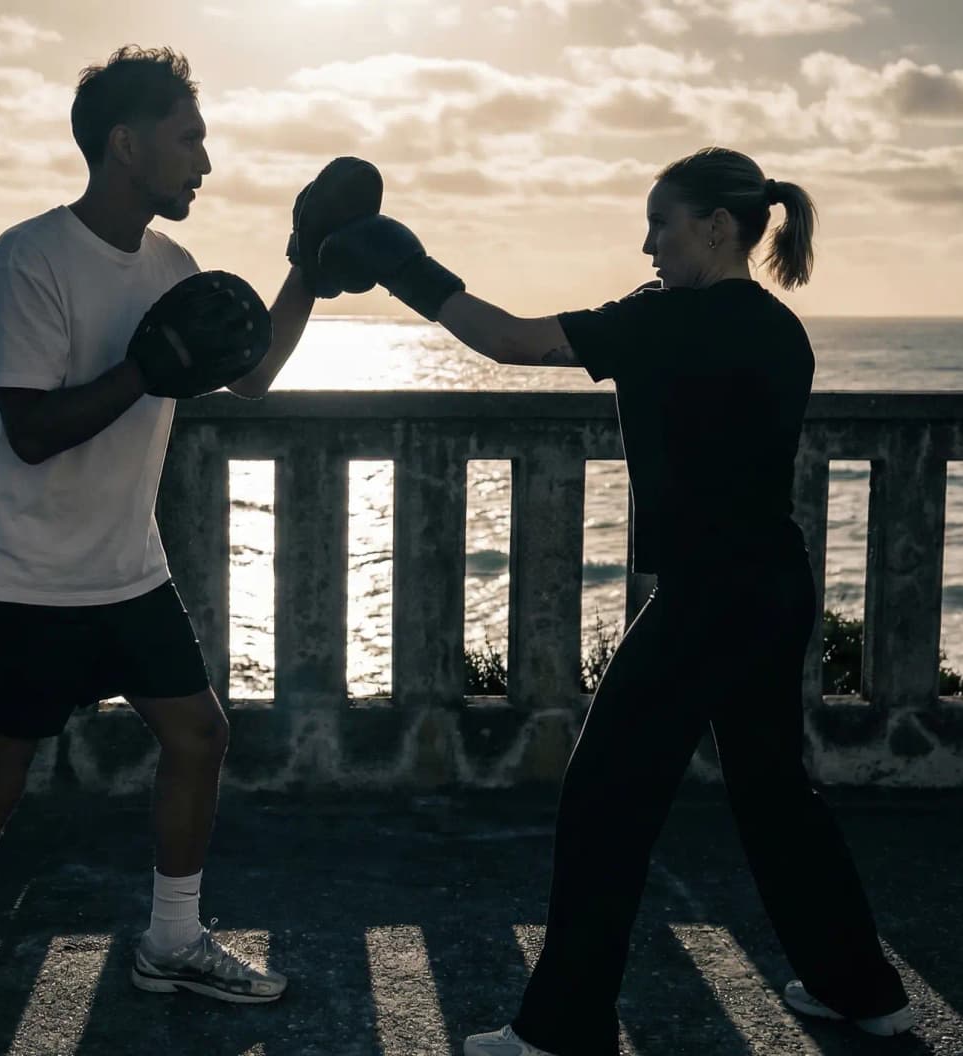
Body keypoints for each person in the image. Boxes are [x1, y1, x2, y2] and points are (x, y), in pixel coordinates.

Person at [317, 146, 918, 1055]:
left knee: (606, 801)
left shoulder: (671, 322)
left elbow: (514, 342)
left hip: (708, 599)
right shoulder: (775, 326)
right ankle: (861, 988)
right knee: (774, 795)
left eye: (660, 223)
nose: (646, 244)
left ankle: (565, 1025)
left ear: (717, 227)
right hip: (772, 587)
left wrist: (406, 268)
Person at [0, 46, 378, 1055]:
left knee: (198, 736)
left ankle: (170, 940)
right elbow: (29, 429)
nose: (204, 161)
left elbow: (246, 379)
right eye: (188, 138)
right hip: (20, 579)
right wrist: (146, 367)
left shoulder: (172, 269)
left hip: (127, 570)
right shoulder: (22, 263)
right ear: (126, 143)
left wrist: (304, 263)